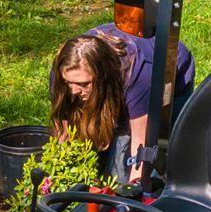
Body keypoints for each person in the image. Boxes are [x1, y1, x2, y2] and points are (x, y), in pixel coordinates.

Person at [50, 23, 195, 184]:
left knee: (122, 172)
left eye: (84, 84)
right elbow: (63, 131)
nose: (73, 91)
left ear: (102, 77)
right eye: (69, 83)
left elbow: (142, 147)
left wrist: (135, 193)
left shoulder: (139, 76)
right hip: (118, 88)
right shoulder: (65, 73)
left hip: (169, 74)